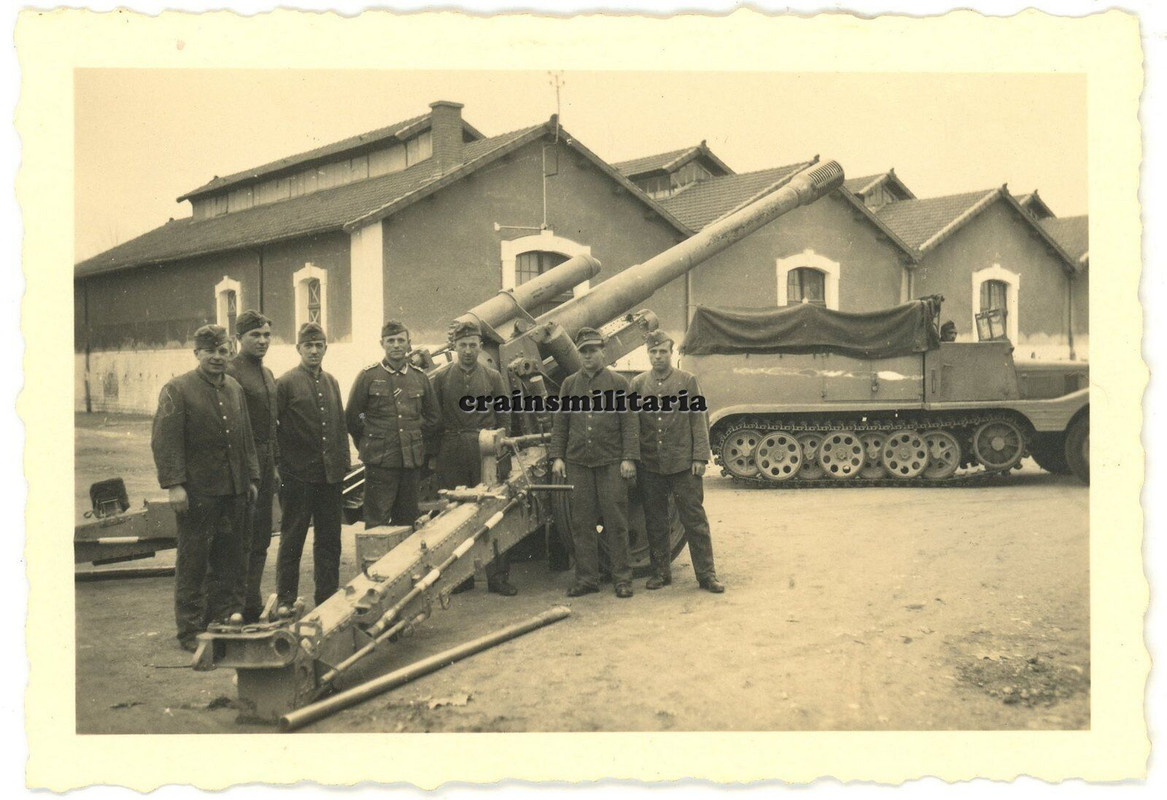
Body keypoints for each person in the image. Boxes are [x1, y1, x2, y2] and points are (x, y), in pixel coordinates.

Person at [151, 324, 259, 652]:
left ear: (230, 352)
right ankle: (190, 629)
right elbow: (164, 441)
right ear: (197, 353)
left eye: (223, 350)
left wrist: (251, 477)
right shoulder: (177, 389)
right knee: (194, 560)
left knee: (230, 558)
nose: (217, 357)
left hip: (233, 490)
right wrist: (174, 485)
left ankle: (224, 617)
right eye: (209, 351)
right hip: (198, 493)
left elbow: (245, 437)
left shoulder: (234, 389)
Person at [630, 330, 725, 593]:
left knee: (694, 520)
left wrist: (699, 457)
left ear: (670, 353)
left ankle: (707, 575)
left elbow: (698, 418)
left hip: (683, 463)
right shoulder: (638, 384)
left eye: (662, 351)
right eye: (653, 352)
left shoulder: (687, 381)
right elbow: (632, 424)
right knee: (656, 521)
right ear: (647, 354)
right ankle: (660, 573)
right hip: (651, 465)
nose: (658, 356)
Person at [549, 327, 640, 599]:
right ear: (579, 354)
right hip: (578, 463)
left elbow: (629, 422)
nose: (589, 356)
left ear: (603, 351)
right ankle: (587, 578)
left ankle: (622, 579)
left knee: (616, 521)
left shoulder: (619, 383)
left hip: (611, 462)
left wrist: (629, 459)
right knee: (582, 522)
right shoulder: (569, 385)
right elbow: (561, 424)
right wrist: (557, 457)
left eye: (593, 350)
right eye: (584, 351)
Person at [432, 320, 517, 596]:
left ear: (480, 346)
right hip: (453, 448)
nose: (467, 351)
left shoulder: (492, 376)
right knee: (455, 513)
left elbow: (505, 415)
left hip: (486, 448)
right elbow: (434, 418)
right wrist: (437, 454)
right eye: (462, 345)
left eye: (472, 345)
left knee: (493, 510)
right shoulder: (443, 378)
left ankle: (498, 576)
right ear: (454, 347)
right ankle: (461, 577)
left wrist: (500, 446)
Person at [274, 322, 351, 609]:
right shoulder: (285, 383)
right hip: (297, 477)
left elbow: (339, 425)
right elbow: (272, 429)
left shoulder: (331, 381)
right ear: (299, 349)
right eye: (309, 346)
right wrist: (281, 464)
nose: (314, 351)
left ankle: (327, 598)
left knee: (330, 540)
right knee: (292, 539)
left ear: (325, 348)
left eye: (319, 345)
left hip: (329, 476)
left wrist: (343, 462)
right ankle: (285, 599)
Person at [347, 320, 441, 528]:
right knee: (376, 520)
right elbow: (353, 417)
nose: (396, 345)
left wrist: (413, 435)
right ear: (382, 344)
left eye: (401, 340)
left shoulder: (419, 378)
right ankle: (376, 561)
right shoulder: (368, 376)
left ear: (409, 344)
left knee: (407, 520)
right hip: (380, 462)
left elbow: (433, 418)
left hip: (410, 462)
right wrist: (372, 437)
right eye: (391, 341)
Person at [225, 310, 279, 622]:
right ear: (239, 339)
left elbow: (271, 425)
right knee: (239, 537)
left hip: (266, 459)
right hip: (244, 462)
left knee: (260, 536)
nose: (262, 341)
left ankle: (251, 599)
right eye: (254, 336)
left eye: (266, 335)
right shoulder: (231, 372)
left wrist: (274, 463)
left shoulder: (268, 373)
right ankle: (234, 604)